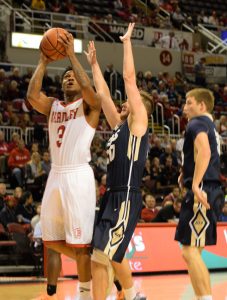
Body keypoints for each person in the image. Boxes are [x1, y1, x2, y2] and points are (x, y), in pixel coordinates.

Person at [27, 30, 101, 300]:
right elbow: (32, 96)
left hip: (77, 174)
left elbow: (92, 92)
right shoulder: (54, 106)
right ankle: (95, 260)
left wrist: (70, 54)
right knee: (51, 240)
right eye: (65, 76)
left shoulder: (90, 105)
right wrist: (43, 62)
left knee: (80, 242)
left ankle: (85, 294)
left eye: (73, 76)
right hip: (56, 175)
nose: (69, 77)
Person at [85, 23, 152, 300]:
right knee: (103, 253)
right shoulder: (119, 126)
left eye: (130, 101)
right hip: (111, 195)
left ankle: (131, 295)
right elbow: (103, 96)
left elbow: (129, 78)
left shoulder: (138, 123)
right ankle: (135, 295)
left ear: (140, 107)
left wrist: (126, 42)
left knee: (101, 255)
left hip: (125, 196)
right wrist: (95, 64)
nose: (124, 103)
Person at [175, 88, 224, 300]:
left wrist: (194, 184)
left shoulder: (196, 123)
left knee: (189, 251)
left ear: (201, 106)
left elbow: (204, 151)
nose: (184, 108)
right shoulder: (211, 126)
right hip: (212, 189)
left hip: (202, 190)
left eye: (189, 102)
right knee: (195, 251)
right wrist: (185, 172)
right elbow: (202, 153)